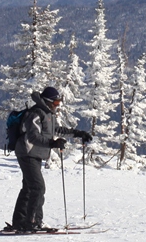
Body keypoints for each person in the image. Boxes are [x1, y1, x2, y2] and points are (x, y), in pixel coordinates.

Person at [10, 86, 92, 233]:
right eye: (56, 102)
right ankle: (33, 222)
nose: (58, 105)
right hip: (27, 153)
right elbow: (33, 136)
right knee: (38, 187)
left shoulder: (48, 114)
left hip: (34, 154)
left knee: (29, 188)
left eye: (59, 102)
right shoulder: (35, 113)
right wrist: (52, 143)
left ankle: (19, 221)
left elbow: (57, 130)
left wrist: (78, 133)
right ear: (47, 101)